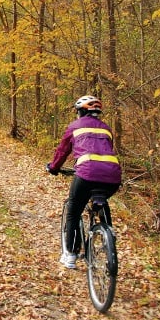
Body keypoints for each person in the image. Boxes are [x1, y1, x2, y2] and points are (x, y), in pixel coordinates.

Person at [46, 95, 121, 269]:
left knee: (73, 211)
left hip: (86, 174)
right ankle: (108, 230)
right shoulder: (106, 129)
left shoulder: (74, 126)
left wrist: (54, 168)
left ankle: (71, 255)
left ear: (81, 111)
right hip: (113, 176)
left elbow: (62, 152)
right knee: (101, 198)